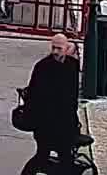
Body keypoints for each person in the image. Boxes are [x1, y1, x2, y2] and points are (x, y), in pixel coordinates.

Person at [19, 33, 83, 174]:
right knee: (43, 155)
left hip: (65, 122)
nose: (55, 51)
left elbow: (72, 98)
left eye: (59, 48)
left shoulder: (72, 66)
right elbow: (34, 96)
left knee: (64, 158)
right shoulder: (42, 67)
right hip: (45, 123)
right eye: (53, 48)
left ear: (67, 49)